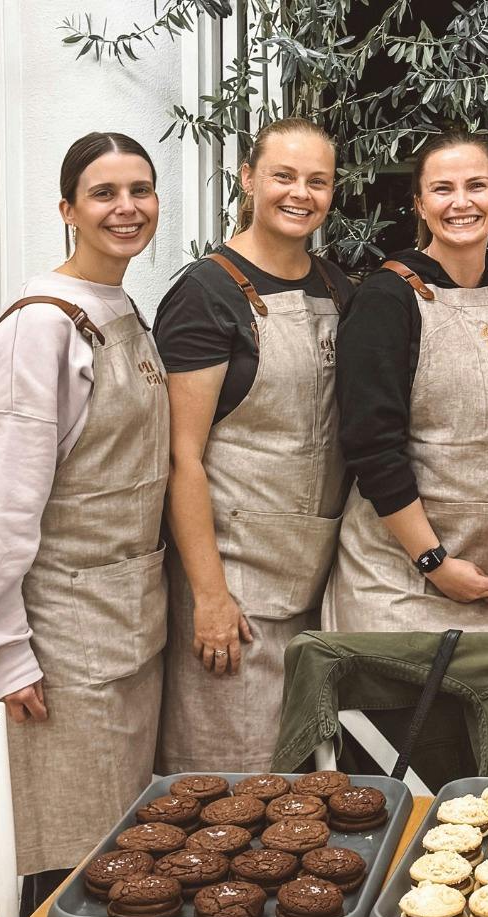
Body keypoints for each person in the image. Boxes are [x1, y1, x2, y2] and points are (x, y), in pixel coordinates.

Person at [0, 132, 169, 916]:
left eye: (140, 190)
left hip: (128, 623)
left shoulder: (119, 309)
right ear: (67, 210)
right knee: (71, 872)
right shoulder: (41, 326)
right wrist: (3, 651)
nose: (126, 208)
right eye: (104, 193)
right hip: (61, 645)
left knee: (127, 860)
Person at [152, 117, 354, 773]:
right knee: (231, 784)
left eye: (317, 181)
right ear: (248, 179)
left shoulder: (337, 288)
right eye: (283, 176)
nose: (300, 194)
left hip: (317, 577)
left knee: (307, 786)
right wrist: (210, 597)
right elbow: (180, 457)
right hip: (235, 584)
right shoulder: (206, 294)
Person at [325, 131, 488, 633]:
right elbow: (371, 446)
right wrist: (433, 561)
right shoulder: (385, 301)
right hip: (400, 582)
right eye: (442, 189)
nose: (461, 203)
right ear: (420, 204)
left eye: (477, 186)